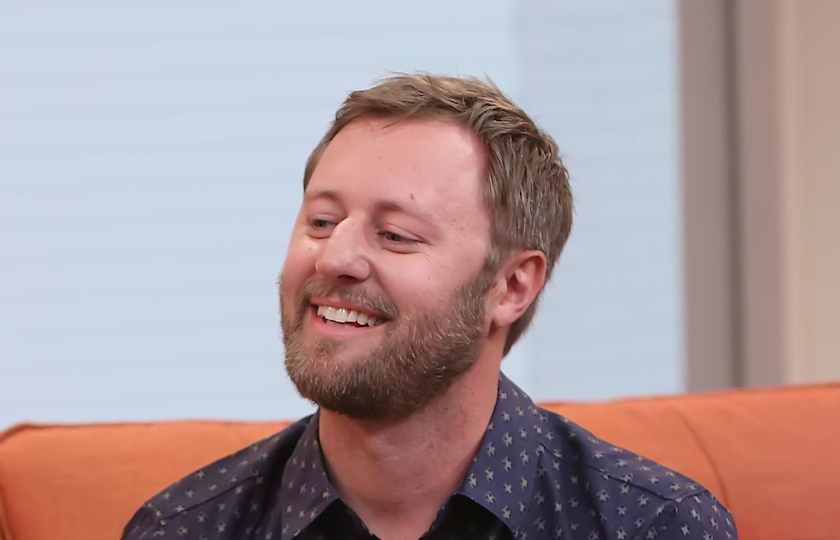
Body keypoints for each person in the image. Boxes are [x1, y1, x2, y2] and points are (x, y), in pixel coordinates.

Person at [121, 74, 738, 540]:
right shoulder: (183, 529)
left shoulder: (653, 526)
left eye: (395, 235)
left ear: (511, 287)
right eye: (322, 221)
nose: (335, 257)